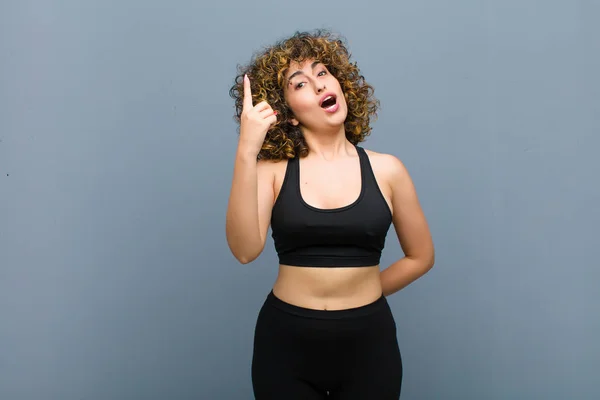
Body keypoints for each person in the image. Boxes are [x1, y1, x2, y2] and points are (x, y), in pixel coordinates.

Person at [226, 29, 435, 400]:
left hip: (369, 344)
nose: (319, 84)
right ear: (287, 113)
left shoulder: (388, 170)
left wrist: (363, 294)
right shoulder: (272, 171)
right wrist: (247, 149)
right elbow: (244, 250)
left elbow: (421, 256)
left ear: (341, 85)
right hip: (285, 343)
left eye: (322, 73)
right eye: (300, 83)